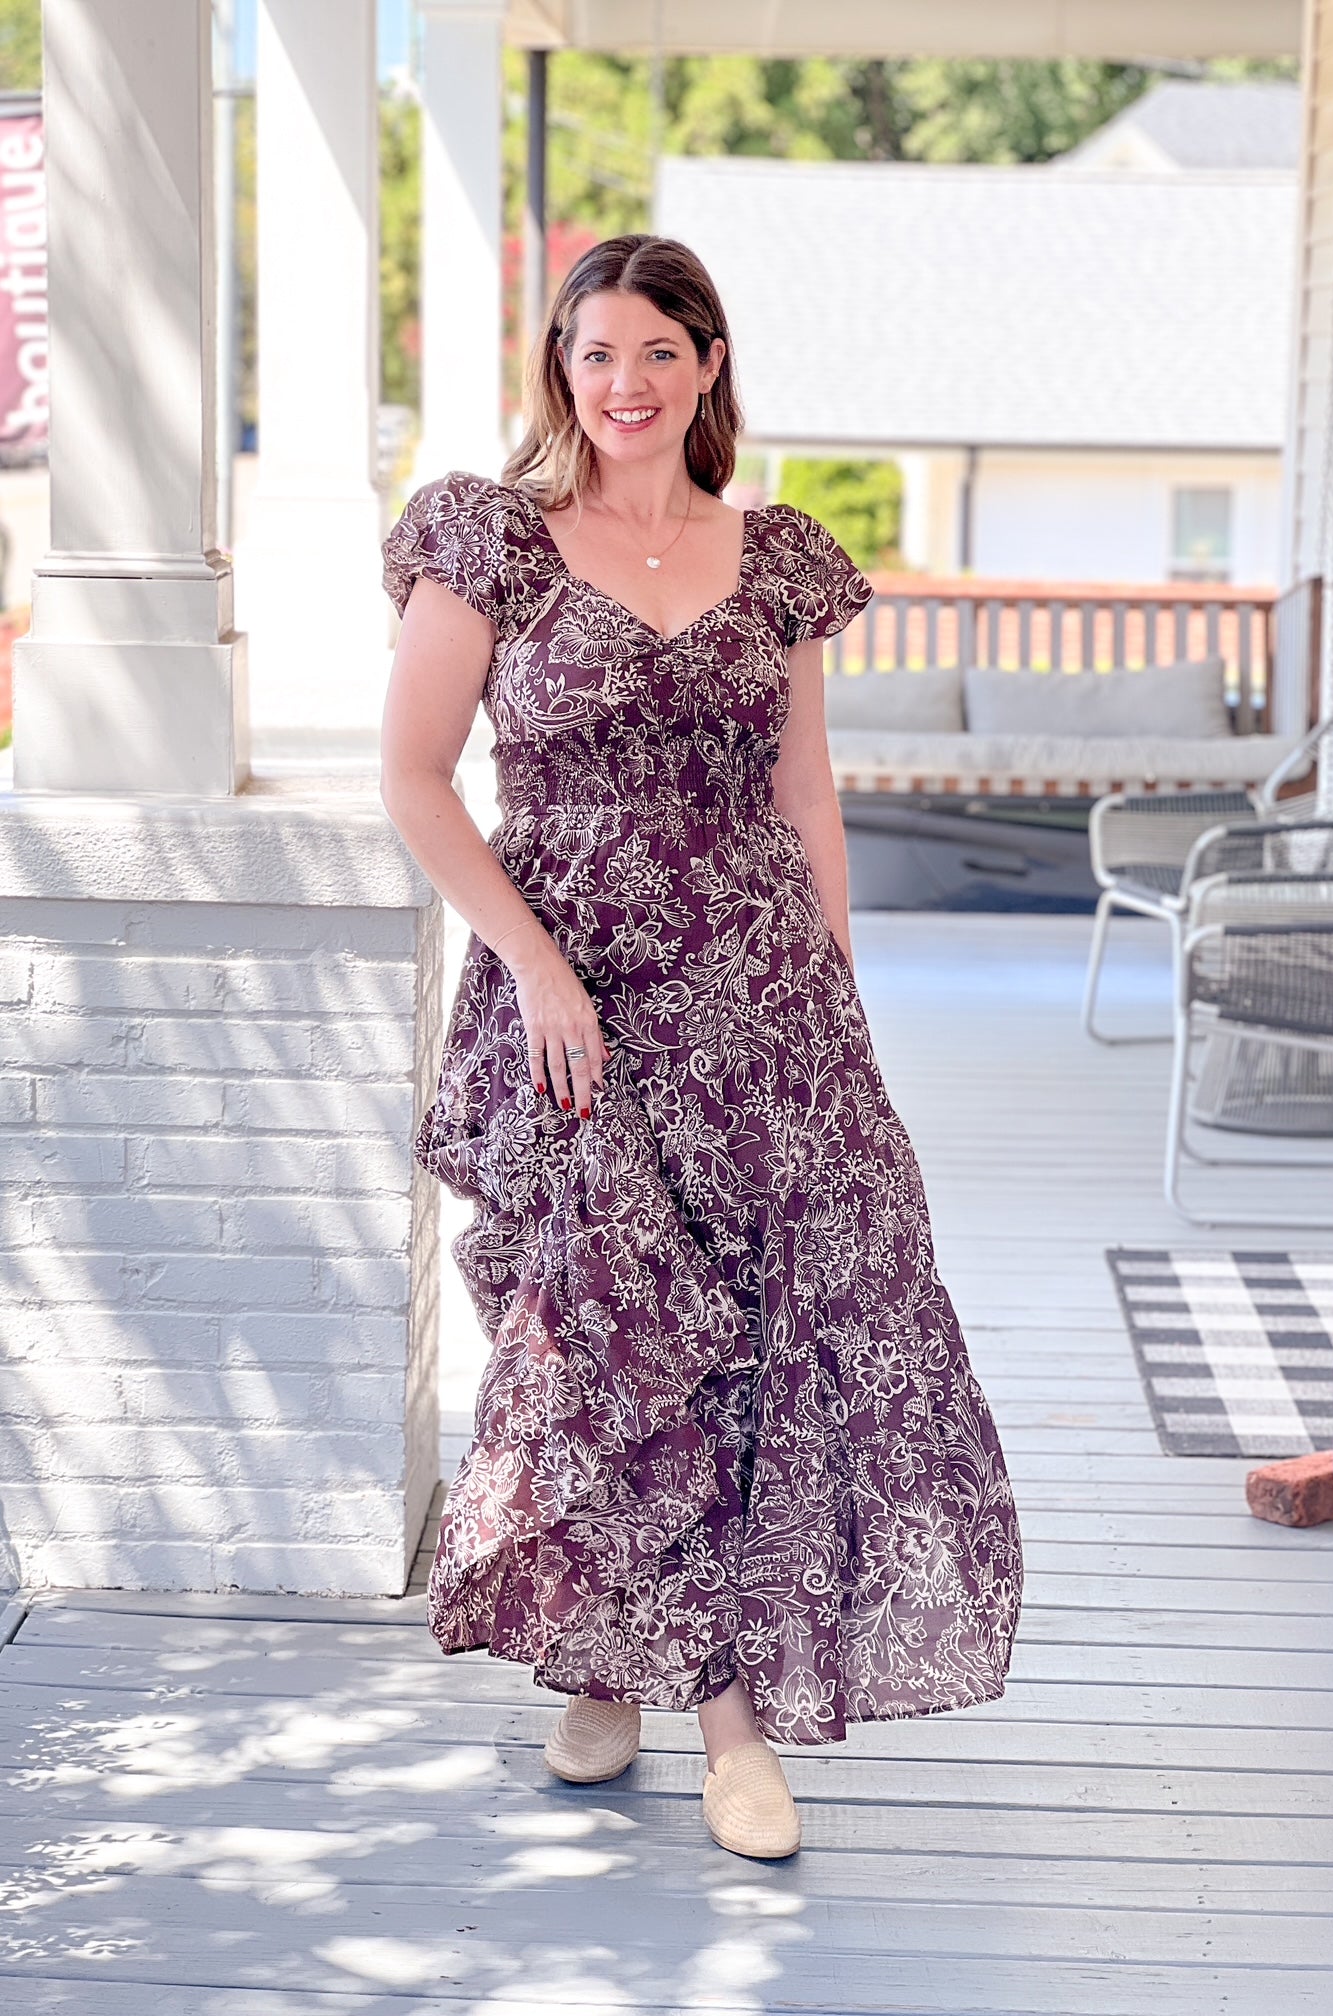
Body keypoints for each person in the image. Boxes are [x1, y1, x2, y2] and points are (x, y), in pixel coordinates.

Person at [378, 234, 1023, 1862]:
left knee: (750, 1342)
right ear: (560, 368)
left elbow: (804, 798)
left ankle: (701, 1704)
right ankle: (637, 1681)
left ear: (706, 365)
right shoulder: (491, 545)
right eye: (593, 355)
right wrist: (532, 965)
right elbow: (415, 781)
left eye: (656, 352)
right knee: (599, 1333)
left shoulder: (779, 558)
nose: (623, 385)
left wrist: (836, 1008)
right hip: (573, 1002)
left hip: (758, 1003)